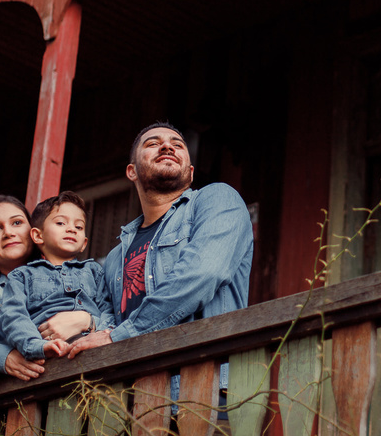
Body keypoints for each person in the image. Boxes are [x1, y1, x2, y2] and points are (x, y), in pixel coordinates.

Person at [64, 123, 253, 355]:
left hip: (203, 379)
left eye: (177, 145)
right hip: (132, 386)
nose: (167, 147)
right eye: (153, 144)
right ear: (131, 171)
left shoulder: (217, 199)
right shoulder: (115, 258)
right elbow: (107, 322)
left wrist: (123, 334)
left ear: (191, 172)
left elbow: (203, 272)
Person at [0, 195, 93, 385]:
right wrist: (1, 358)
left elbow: (110, 322)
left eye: (16, 222)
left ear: (35, 233)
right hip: (13, 405)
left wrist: (87, 320)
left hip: (77, 387)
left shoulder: (75, 275)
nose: (8, 232)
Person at [0, 191, 113, 361]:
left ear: (84, 243)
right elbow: (14, 317)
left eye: (79, 227)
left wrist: (102, 331)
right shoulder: (22, 276)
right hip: (48, 354)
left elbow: (108, 310)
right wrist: (37, 346)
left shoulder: (94, 271)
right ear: (38, 235)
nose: (71, 229)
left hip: (93, 350)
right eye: (61, 223)